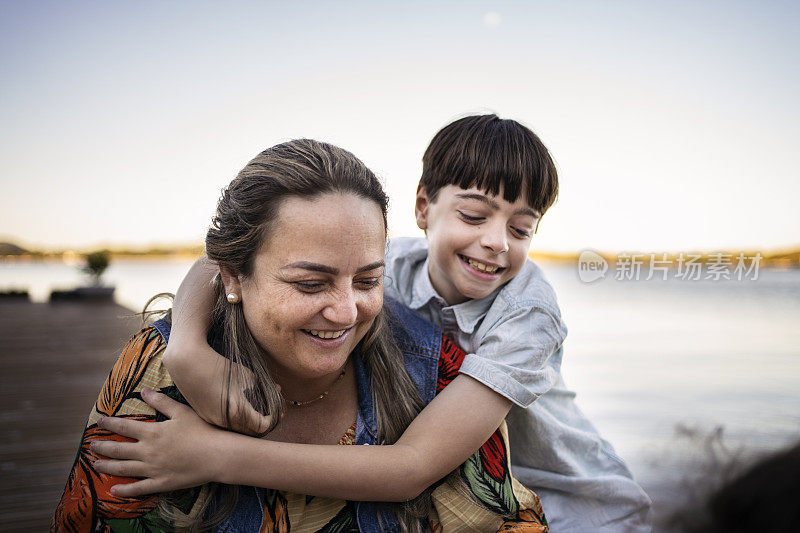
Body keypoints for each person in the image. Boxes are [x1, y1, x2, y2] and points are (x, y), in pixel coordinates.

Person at [93, 115, 653, 530]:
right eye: (475, 215)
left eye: (522, 228)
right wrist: (187, 347)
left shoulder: (526, 316)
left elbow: (411, 467)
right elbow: (225, 258)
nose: (496, 243)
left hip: (576, 508)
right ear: (423, 207)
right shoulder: (388, 261)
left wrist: (214, 456)